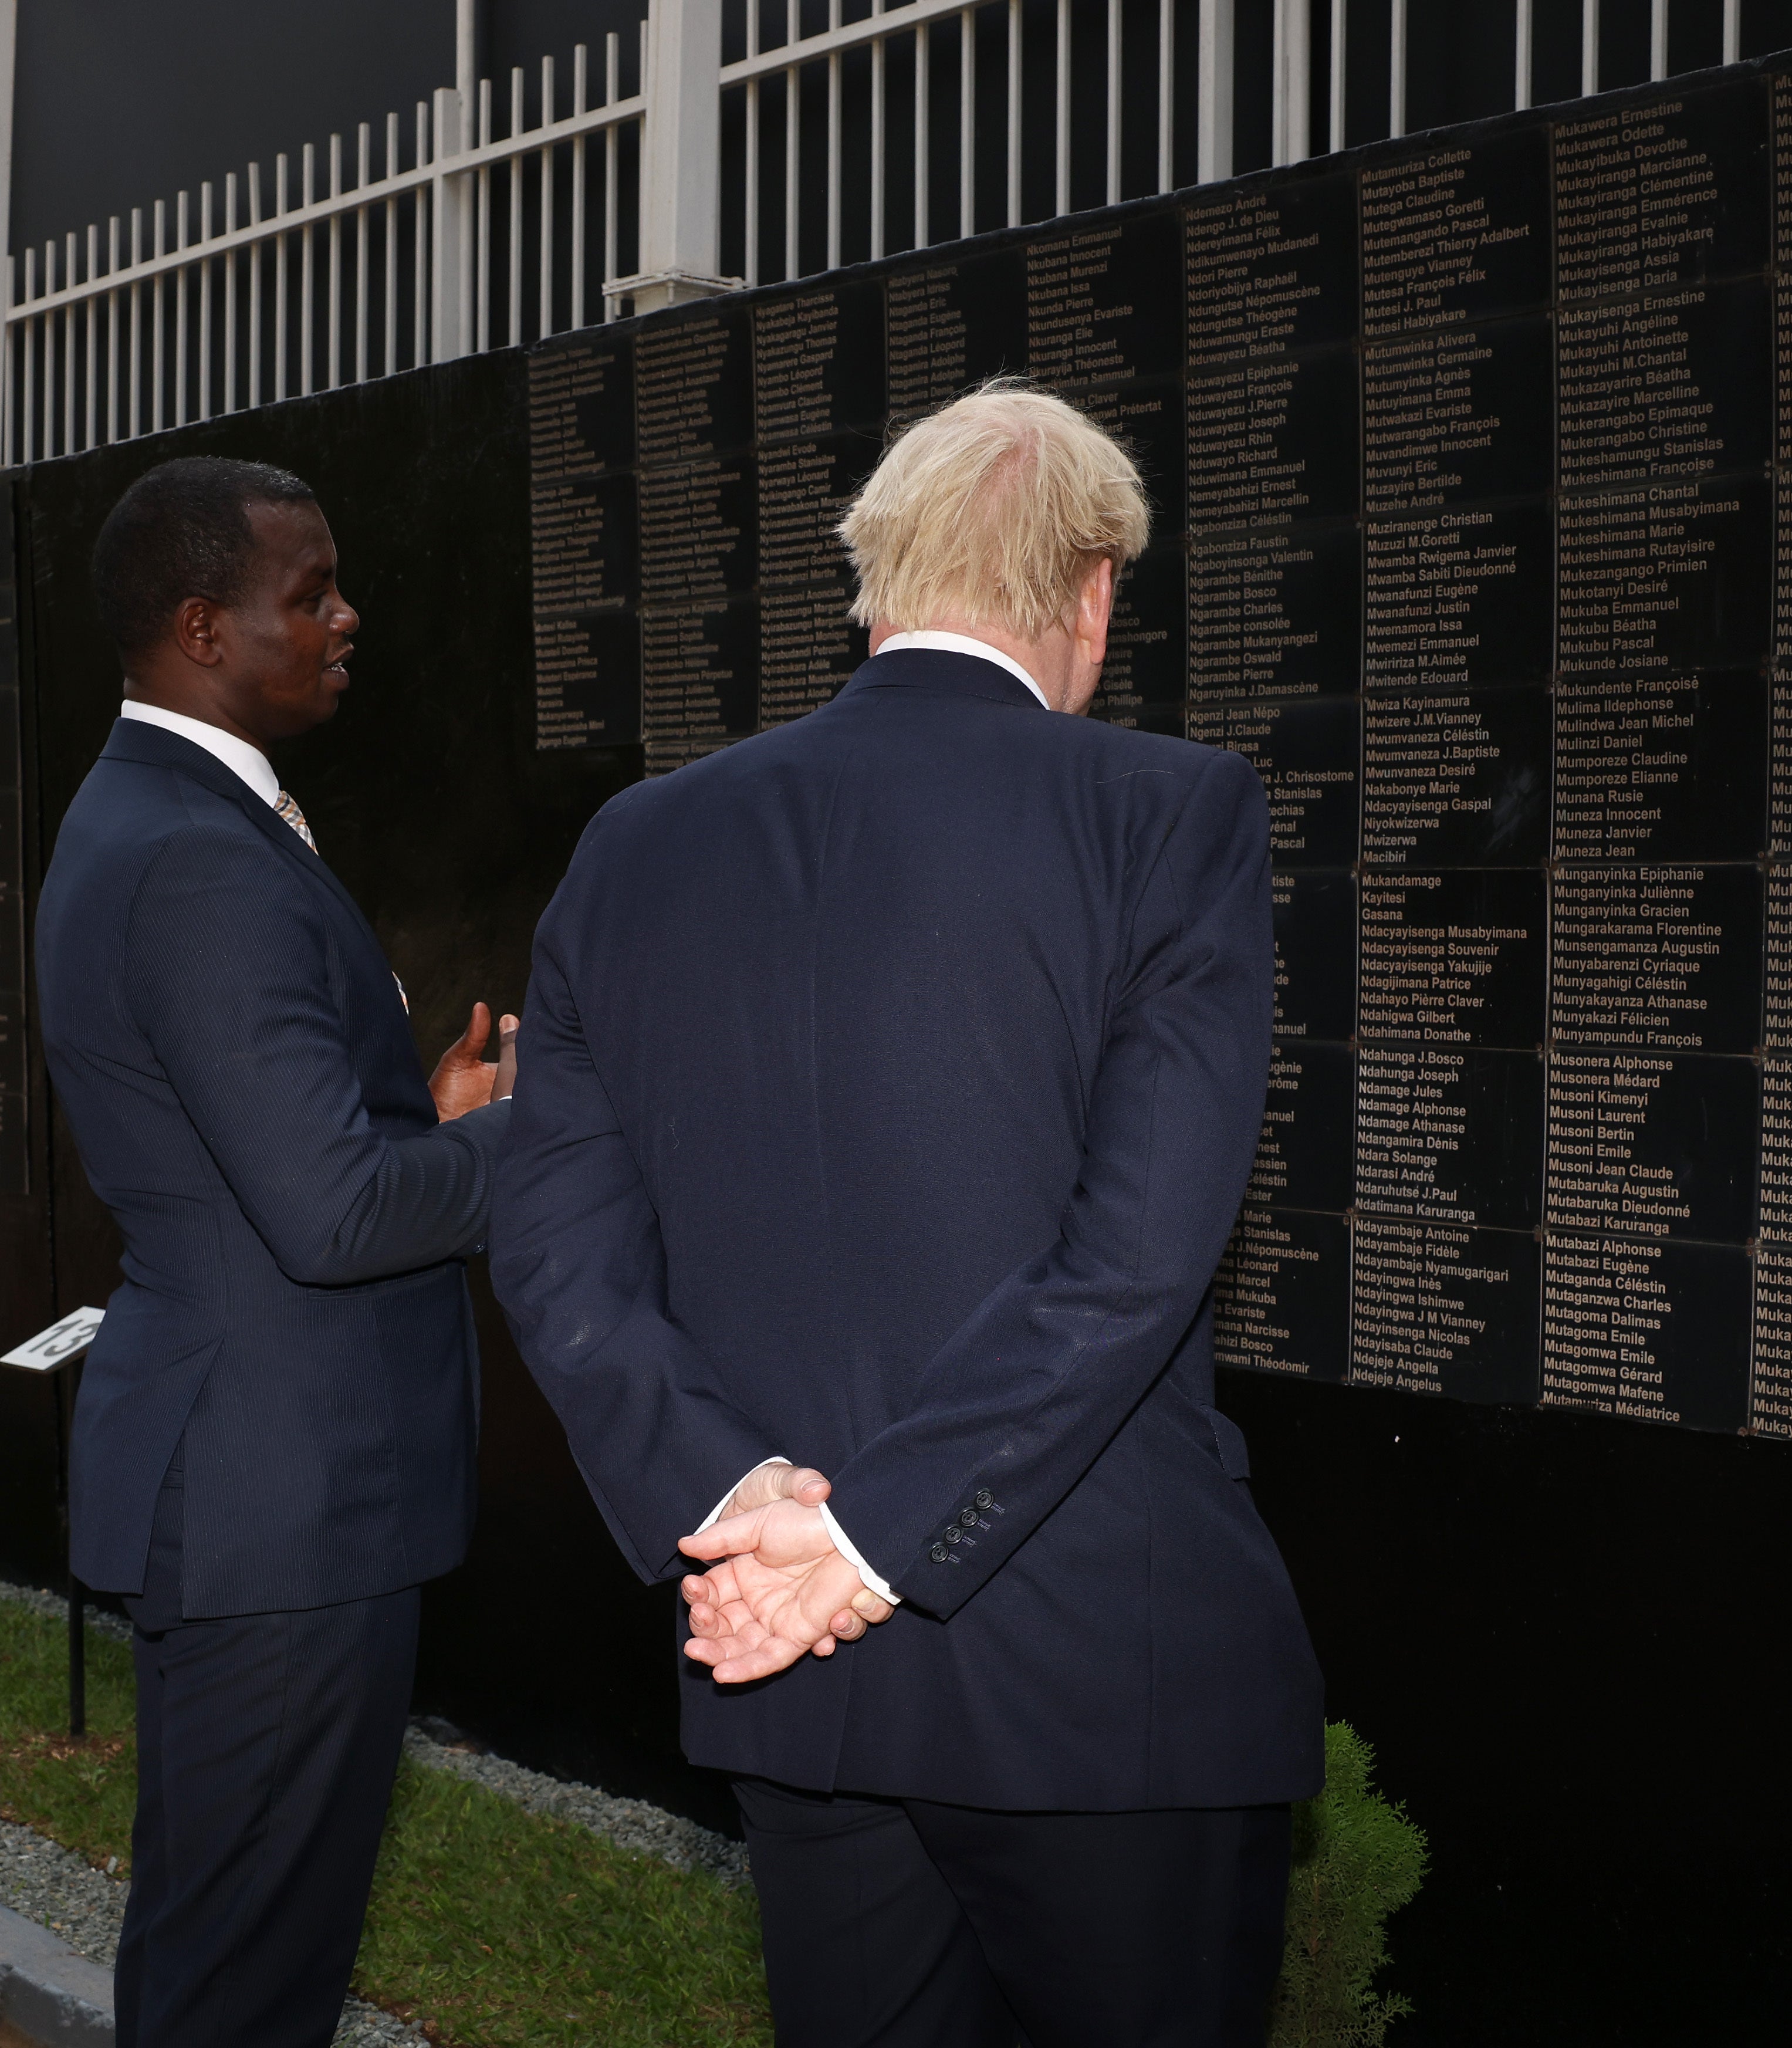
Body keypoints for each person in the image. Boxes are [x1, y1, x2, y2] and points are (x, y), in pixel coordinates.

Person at [491, 380, 1323, 2047]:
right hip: (1105, 1694)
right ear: (1091, 594)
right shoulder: (1168, 815)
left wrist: (736, 1515)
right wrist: (858, 1546)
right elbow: (1136, 1258)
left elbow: (557, 1245)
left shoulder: (636, 845)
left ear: (872, 581)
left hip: (793, 1687)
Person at [33, 456, 520, 2046]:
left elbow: (284, 1146)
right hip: (282, 1501)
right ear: (199, 625)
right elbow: (330, 1216)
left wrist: (429, 1119)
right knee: (247, 1974)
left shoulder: (170, 814)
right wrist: (541, 1135)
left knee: (223, 1952)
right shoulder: (192, 856)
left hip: (258, 1486)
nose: (343, 617)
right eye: (305, 594)